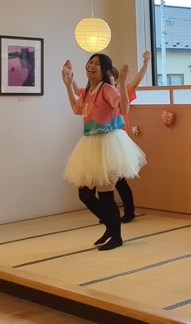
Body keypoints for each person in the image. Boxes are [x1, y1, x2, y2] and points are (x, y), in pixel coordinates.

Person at [61, 54, 147, 251]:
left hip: (108, 143)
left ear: (105, 71)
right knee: (85, 194)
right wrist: (67, 84)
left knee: (106, 194)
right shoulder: (86, 91)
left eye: (96, 64)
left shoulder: (108, 89)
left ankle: (116, 236)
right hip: (90, 143)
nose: (91, 66)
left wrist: (123, 82)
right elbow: (77, 109)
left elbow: (124, 107)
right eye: (90, 62)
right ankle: (110, 226)